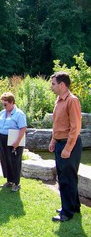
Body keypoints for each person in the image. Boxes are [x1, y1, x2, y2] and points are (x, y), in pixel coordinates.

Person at [48, 71, 82, 222]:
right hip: (60, 143)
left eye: (53, 84)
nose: (51, 87)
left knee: (67, 179)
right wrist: (53, 141)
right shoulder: (59, 100)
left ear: (62, 85)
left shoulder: (72, 100)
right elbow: (58, 124)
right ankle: (73, 206)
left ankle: (67, 212)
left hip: (70, 144)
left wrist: (68, 148)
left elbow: (75, 127)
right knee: (66, 177)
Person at [0, 92, 27, 192]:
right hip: (3, 138)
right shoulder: (2, 113)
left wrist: (17, 141)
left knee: (14, 161)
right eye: (3, 104)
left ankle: (16, 183)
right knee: (5, 160)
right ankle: (9, 181)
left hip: (13, 139)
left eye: (5, 104)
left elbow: (23, 128)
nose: (4, 106)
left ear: (12, 102)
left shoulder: (19, 114)